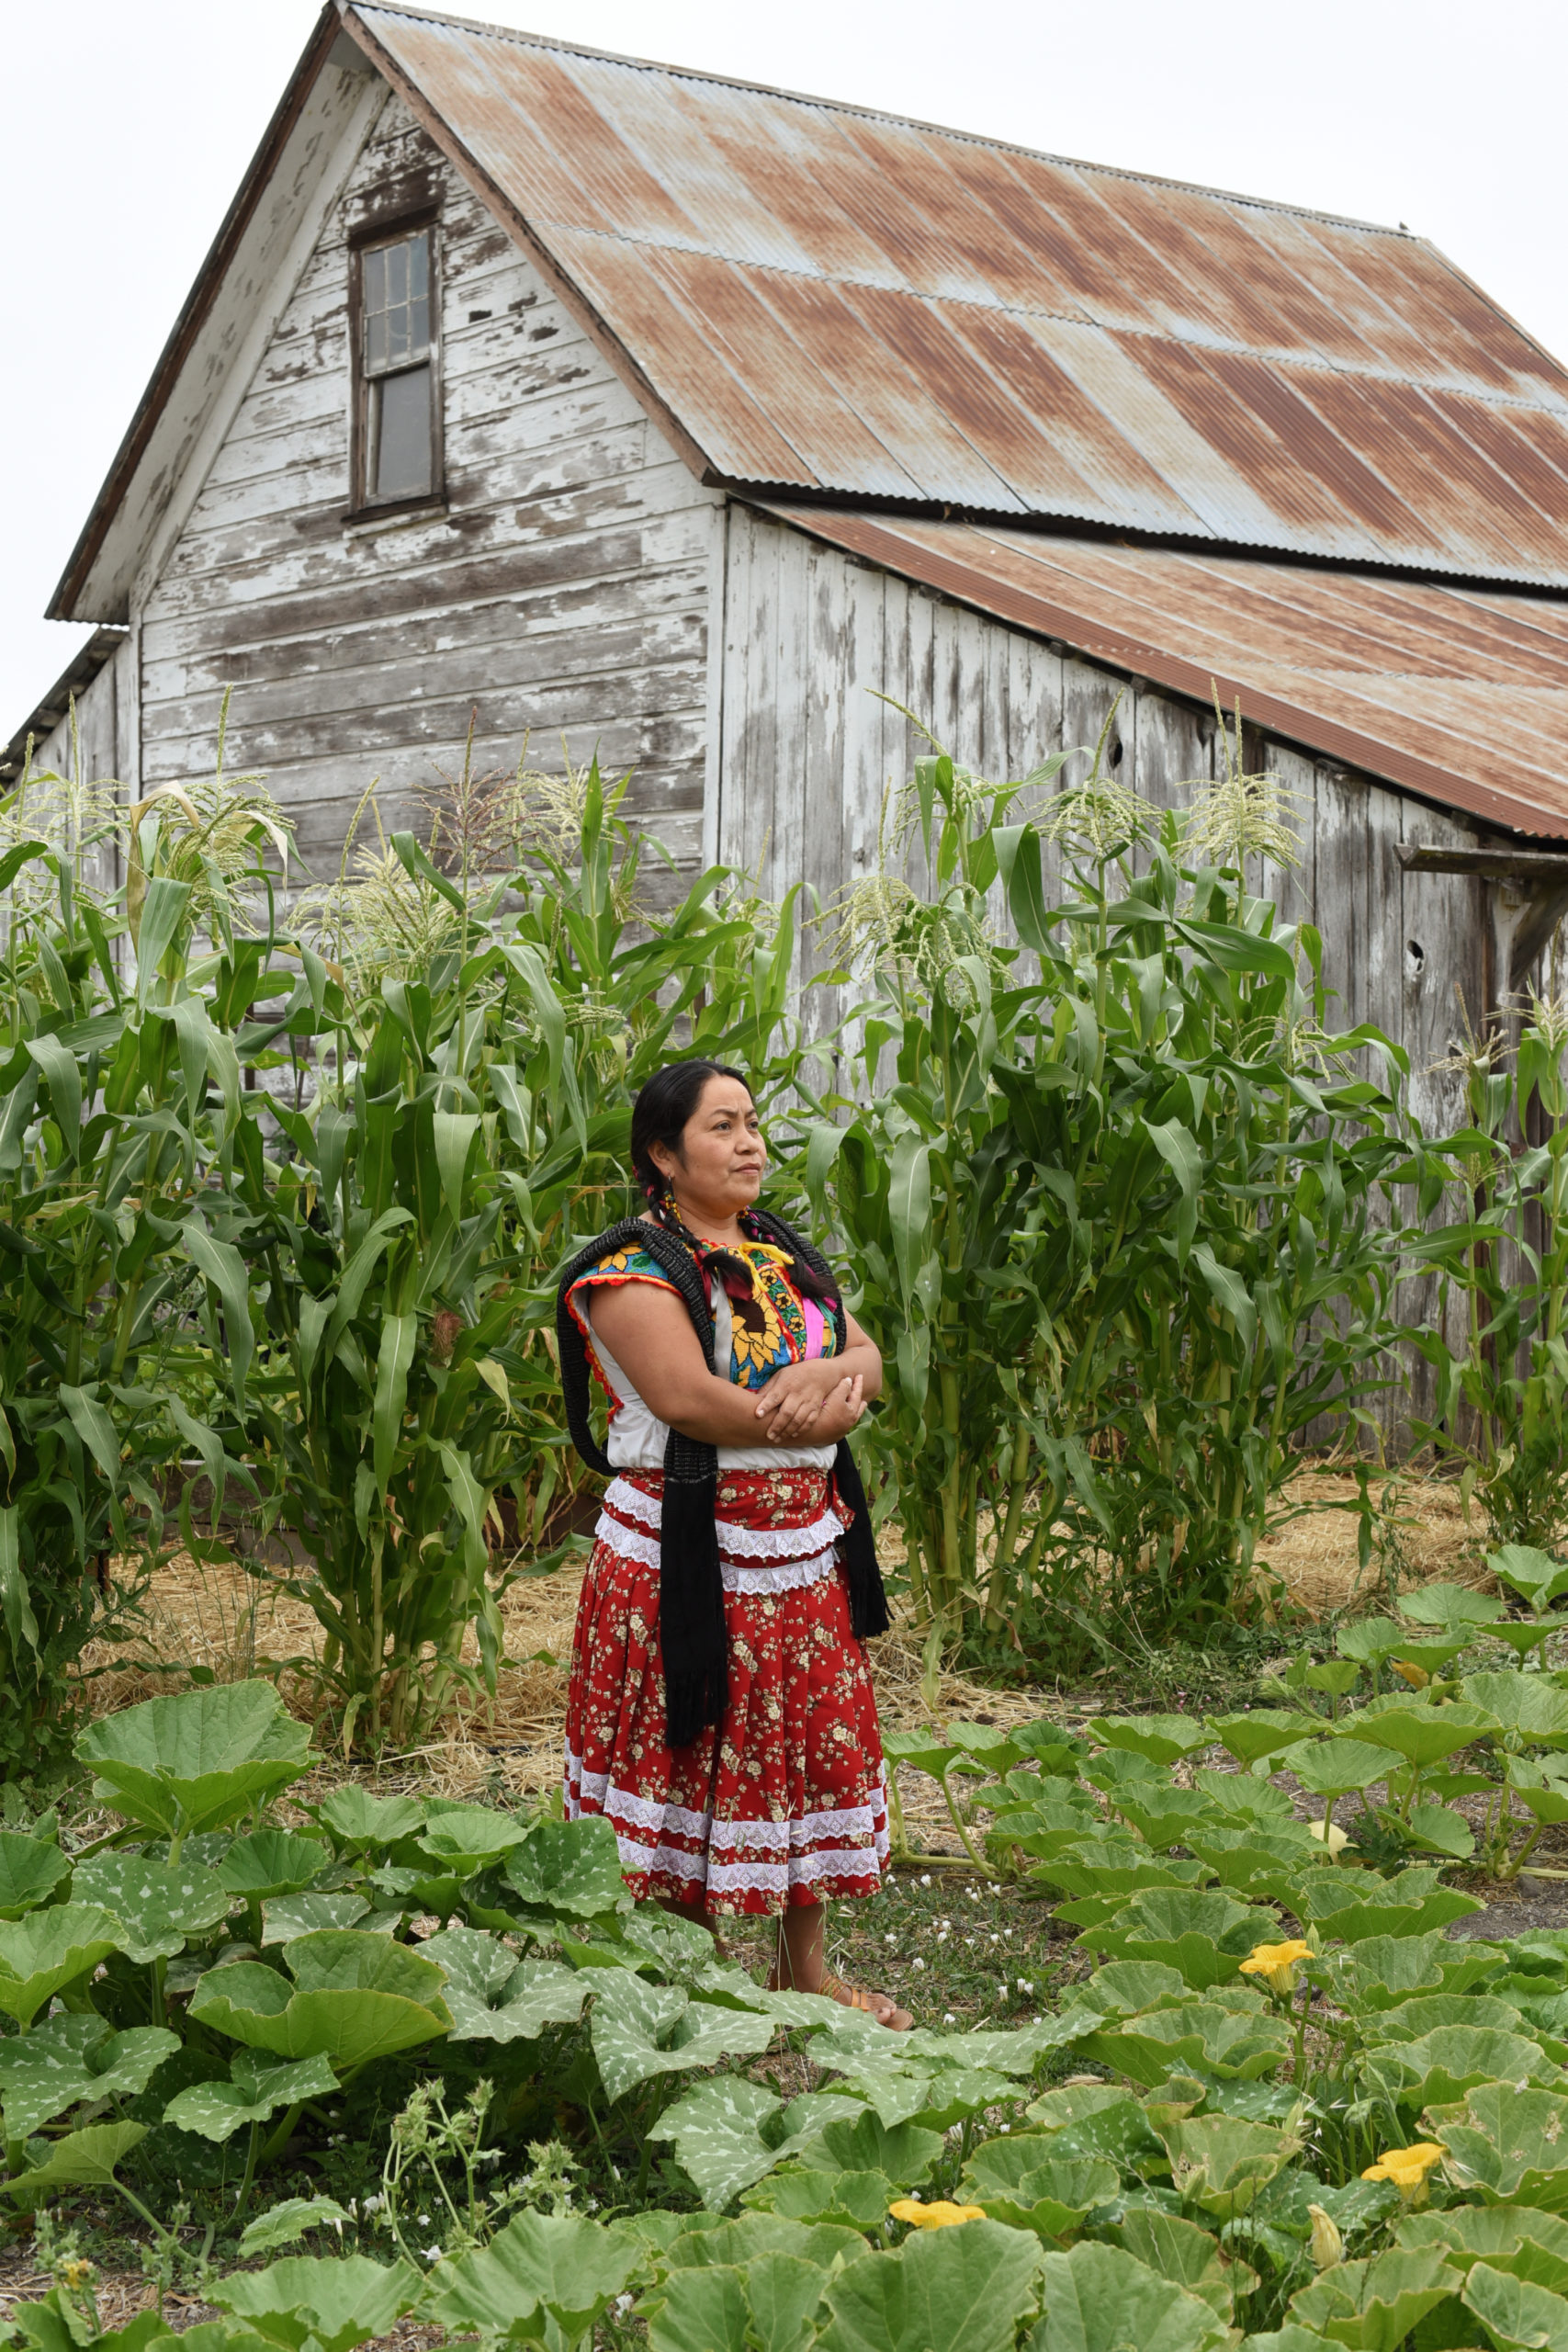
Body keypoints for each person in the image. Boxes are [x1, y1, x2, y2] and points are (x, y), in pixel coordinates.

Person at [556, 1058, 911, 2028]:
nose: (751, 1142)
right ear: (663, 1155)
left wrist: (836, 1372)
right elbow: (683, 1400)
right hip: (688, 1561)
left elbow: (869, 1358)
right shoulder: (629, 1272)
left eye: (754, 1122)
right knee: (693, 1752)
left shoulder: (779, 1254)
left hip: (799, 1557)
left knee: (791, 1753)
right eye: (723, 1126)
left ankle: (805, 1972)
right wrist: (799, 1409)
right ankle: (699, 1979)